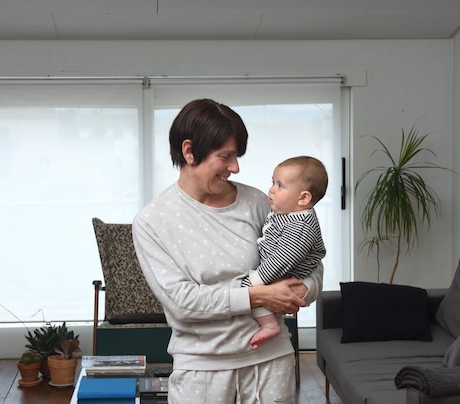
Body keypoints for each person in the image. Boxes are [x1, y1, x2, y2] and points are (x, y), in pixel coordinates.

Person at [132, 98, 323, 403]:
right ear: (189, 151)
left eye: (237, 157)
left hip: (270, 362)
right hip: (202, 370)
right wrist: (257, 296)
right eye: (226, 157)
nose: (235, 167)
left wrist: (303, 289)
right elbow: (183, 303)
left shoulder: (259, 202)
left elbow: (308, 258)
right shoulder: (152, 222)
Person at [242, 156, 328, 350]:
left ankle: (269, 325)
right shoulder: (288, 214)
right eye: (272, 182)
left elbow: (283, 258)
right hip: (282, 275)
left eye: (280, 185)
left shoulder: (301, 225)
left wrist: (254, 282)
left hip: (290, 277)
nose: (272, 189)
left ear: (303, 198)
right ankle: (269, 323)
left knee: (253, 293)